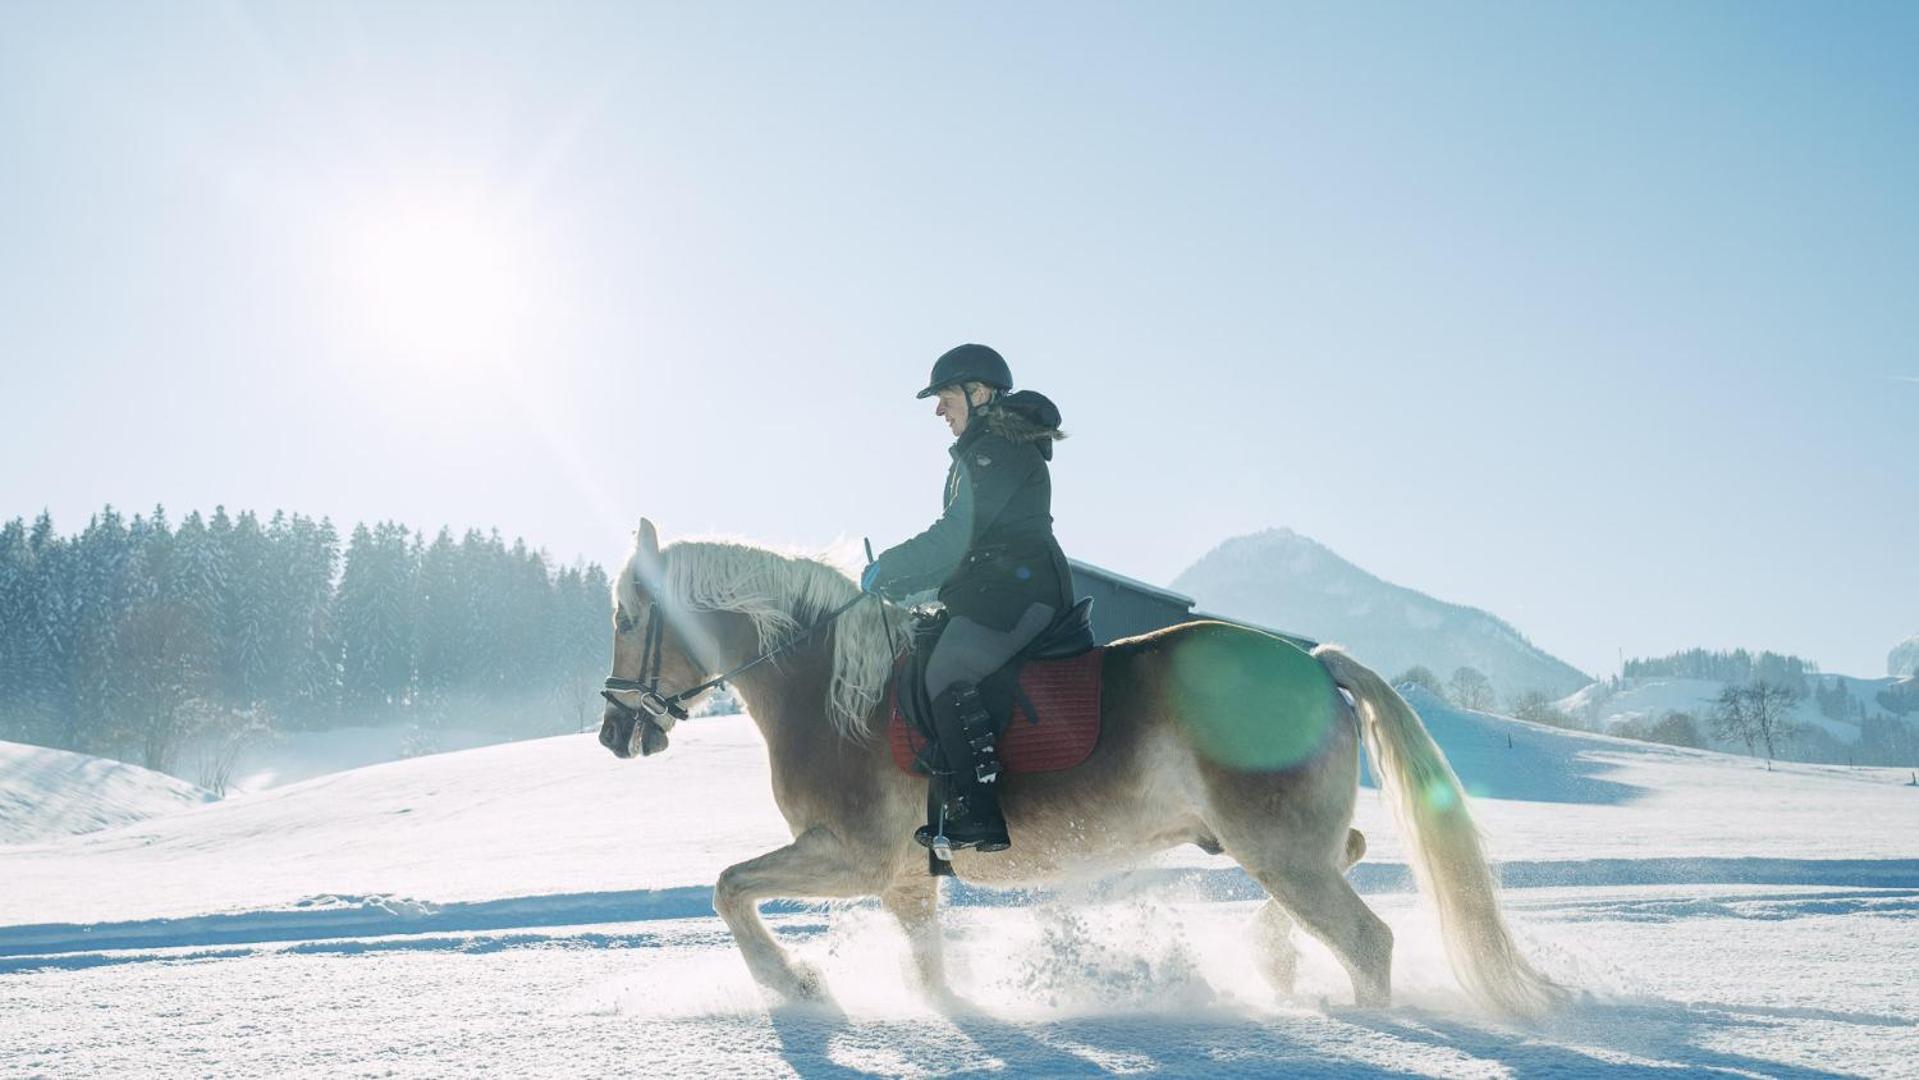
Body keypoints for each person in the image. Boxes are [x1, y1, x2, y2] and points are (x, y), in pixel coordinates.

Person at [861, 343, 1073, 853]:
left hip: (1020, 594)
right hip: (993, 591)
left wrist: (890, 565)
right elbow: (961, 549)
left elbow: (957, 535)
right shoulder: (981, 452)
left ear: (978, 393)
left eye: (945, 396)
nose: (938, 410)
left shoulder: (995, 451)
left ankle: (979, 811)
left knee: (948, 668)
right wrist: (902, 583)